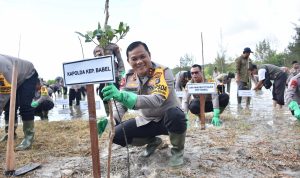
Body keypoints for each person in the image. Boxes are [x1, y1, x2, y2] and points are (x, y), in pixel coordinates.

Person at [101, 41, 187, 167]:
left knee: (176, 114)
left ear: (149, 55)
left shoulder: (162, 71)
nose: (139, 61)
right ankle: (154, 141)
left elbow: (157, 99)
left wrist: (124, 96)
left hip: (168, 120)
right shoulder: (130, 77)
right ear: (128, 61)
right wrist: (112, 119)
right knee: (116, 135)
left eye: (142, 57)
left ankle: (177, 151)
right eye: (134, 59)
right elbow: (121, 104)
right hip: (147, 120)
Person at [0, 54, 39, 150]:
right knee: (9, 107)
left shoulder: (3, 67)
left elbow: (4, 94)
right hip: (13, 78)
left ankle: (28, 137)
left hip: (27, 75)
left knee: (25, 104)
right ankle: (10, 133)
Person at [94, 42, 125, 116]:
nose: (99, 39)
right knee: (102, 94)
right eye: (98, 37)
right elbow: (95, 63)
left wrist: (121, 74)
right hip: (102, 76)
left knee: (114, 95)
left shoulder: (113, 46)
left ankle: (116, 116)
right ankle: (108, 115)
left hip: (114, 75)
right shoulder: (96, 49)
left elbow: (120, 60)